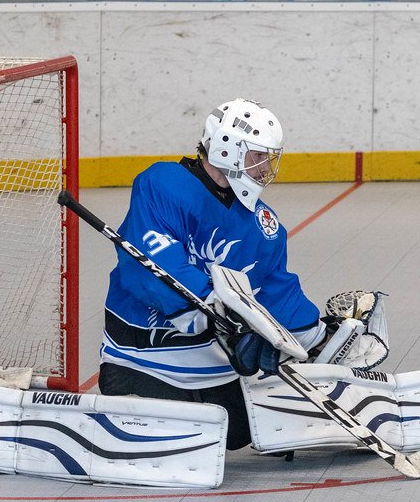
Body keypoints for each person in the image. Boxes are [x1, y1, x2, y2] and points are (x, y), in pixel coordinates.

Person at [97, 98, 386, 449]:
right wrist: (218, 311)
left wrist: (316, 338)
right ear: (225, 149)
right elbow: (148, 261)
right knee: (208, 426)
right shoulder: (162, 183)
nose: (265, 168)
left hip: (208, 362)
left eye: (269, 158)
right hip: (142, 356)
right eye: (257, 156)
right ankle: (134, 405)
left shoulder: (265, 225)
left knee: (237, 432)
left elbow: (275, 290)